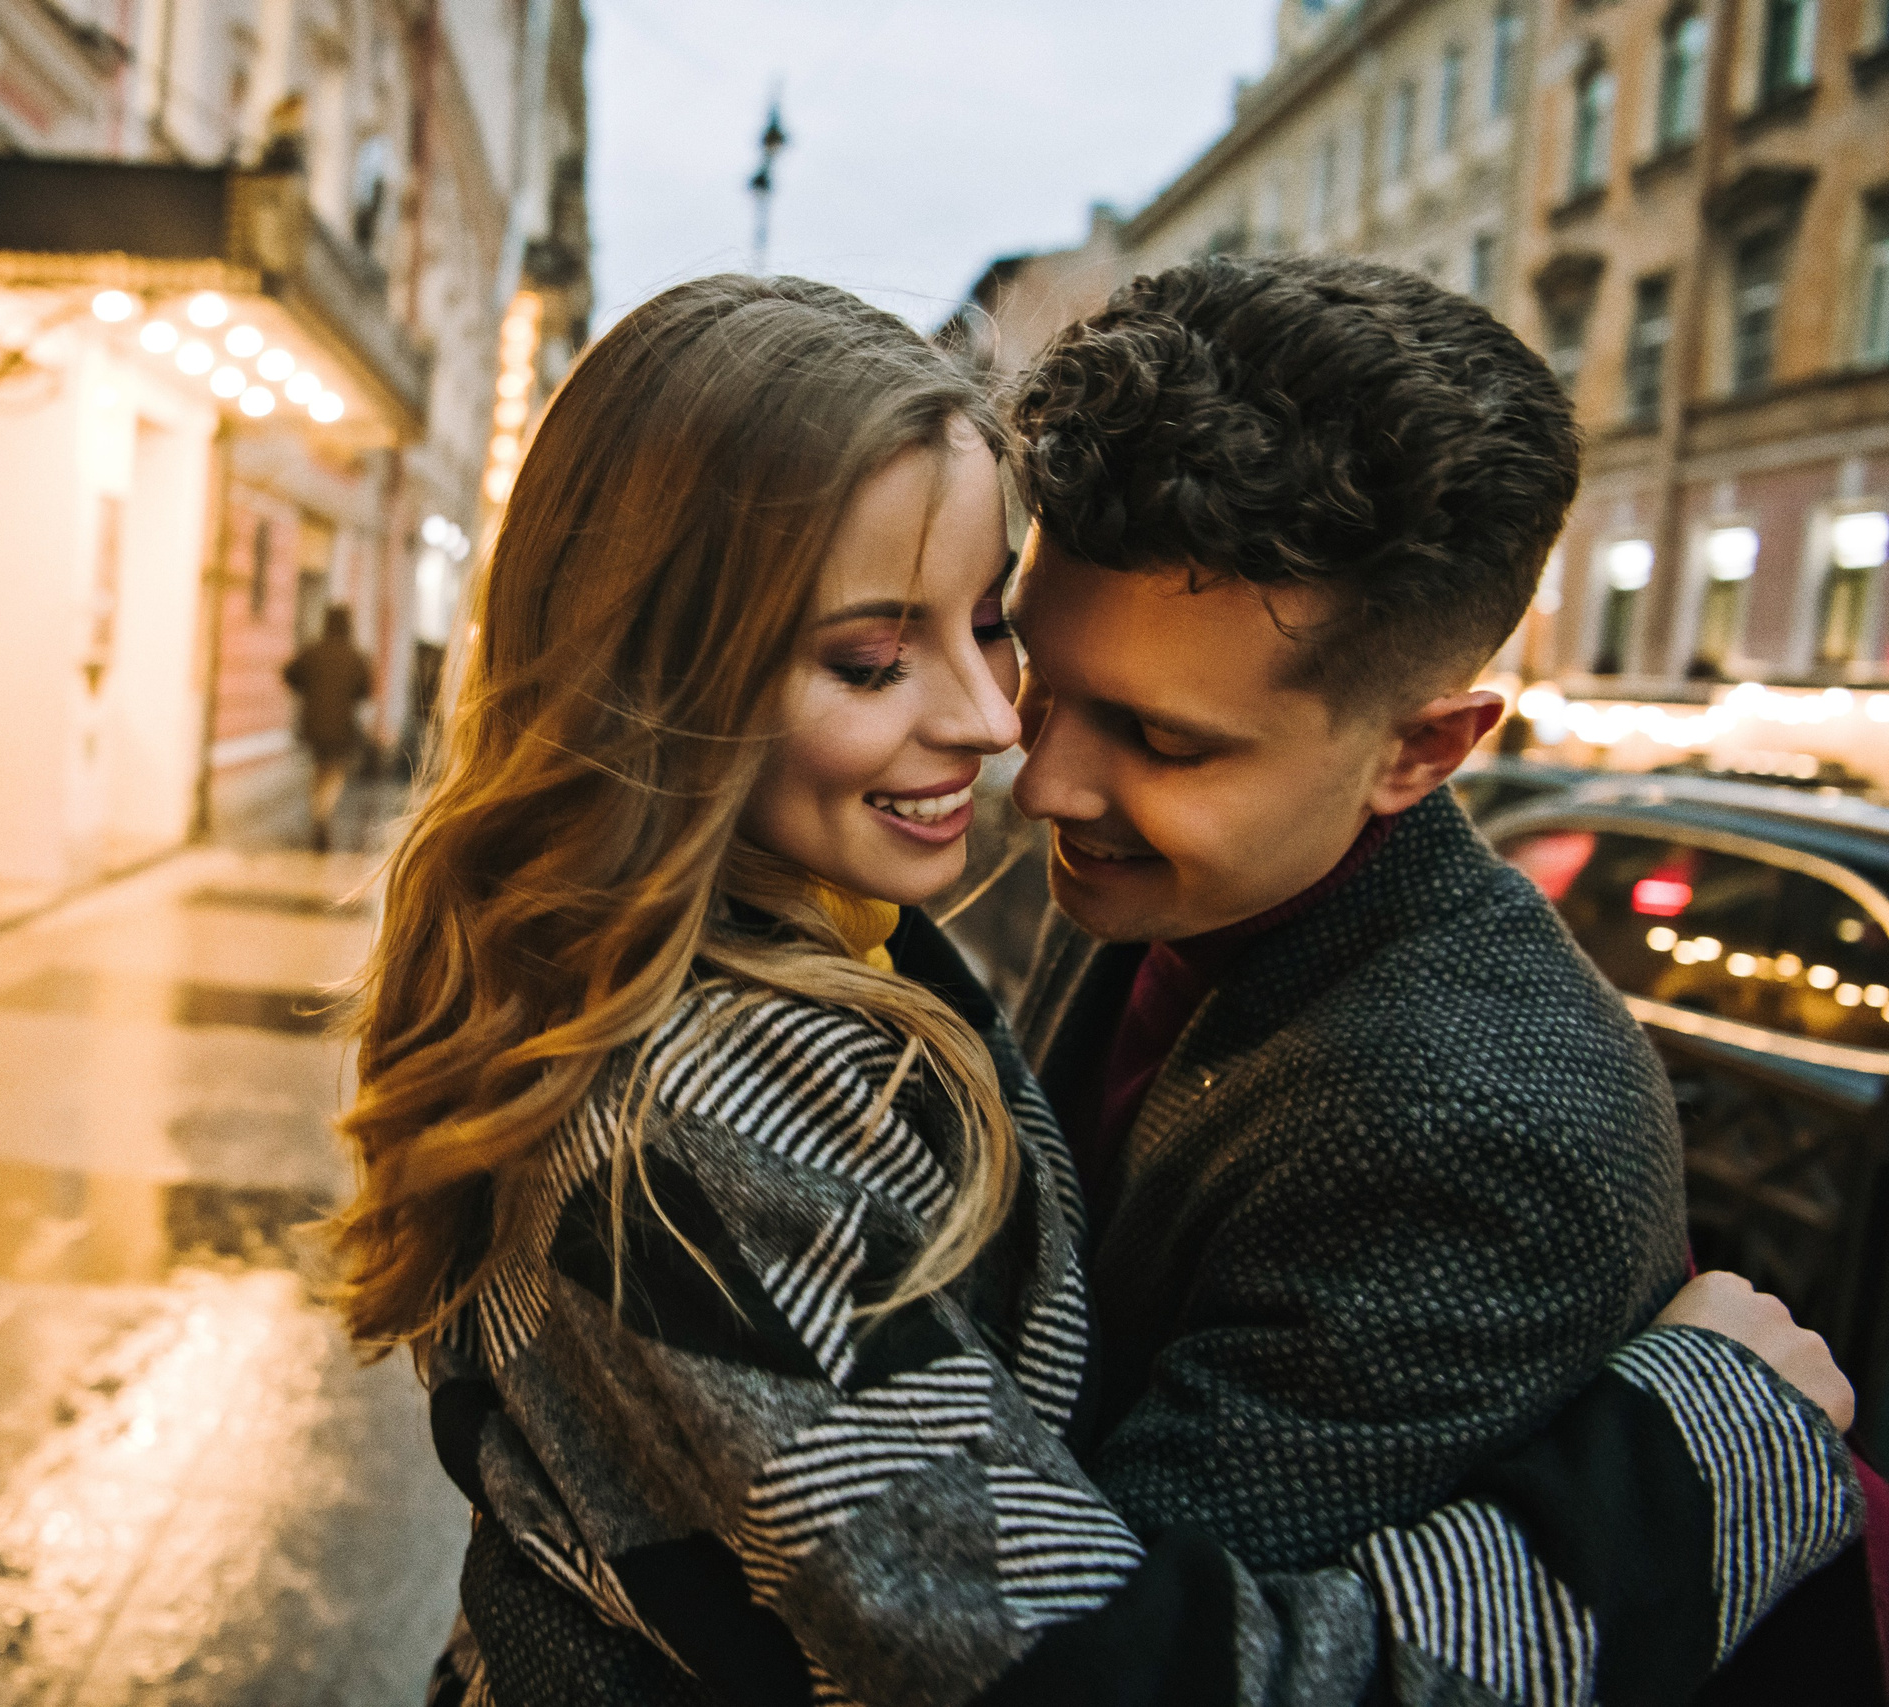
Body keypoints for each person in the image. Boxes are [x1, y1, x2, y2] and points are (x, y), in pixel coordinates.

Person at [331, 273, 1863, 1706]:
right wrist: (1689, 1471)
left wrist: (1695, 1466)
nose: (1028, 759)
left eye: (1160, 737)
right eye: (1032, 658)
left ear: (1421, 747)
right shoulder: (840, 998)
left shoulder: (1479, 1119)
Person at [283, 604, 373, 852]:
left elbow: (289, 674)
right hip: (342, 726)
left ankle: (318, 815)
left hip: (312, 724)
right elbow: (365, 691)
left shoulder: (312, 651)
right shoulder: (355, 656)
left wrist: (307, 691)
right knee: (334, 771)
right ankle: (324, 815)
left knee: (318, 769)